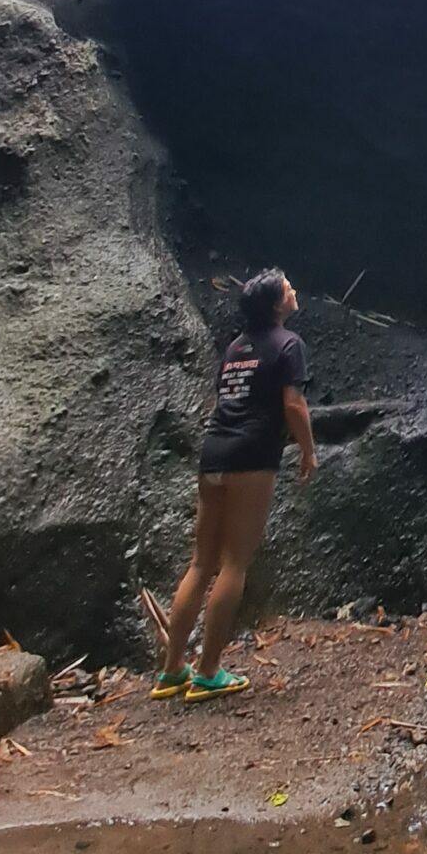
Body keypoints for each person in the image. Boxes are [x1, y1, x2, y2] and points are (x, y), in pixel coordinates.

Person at [153, 268, 317, 702]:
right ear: (277, 304)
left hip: (214, 453)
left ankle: (172, 669)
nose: (293, 290)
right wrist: (308, 450)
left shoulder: (235, 348)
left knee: (200, 562)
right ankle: (208, 671)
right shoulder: (289, 345)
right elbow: (294, 406)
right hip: (251, 458)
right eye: (288, 287)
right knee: (235, 563)